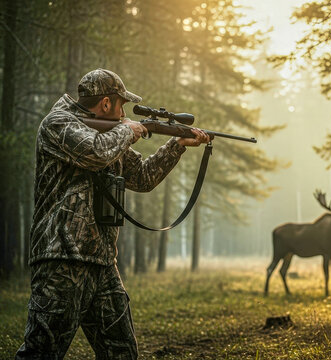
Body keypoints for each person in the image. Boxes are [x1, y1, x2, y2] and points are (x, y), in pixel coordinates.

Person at [15, 68, 210, 359]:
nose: (124, 113)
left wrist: (176, 145)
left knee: (122, 352)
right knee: (41, 352)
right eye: (121, 105)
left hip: (103, 262)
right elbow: (95, 152)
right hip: (61, 261)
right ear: (106, 104)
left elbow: (143, 177)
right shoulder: (58, 124)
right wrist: (127, 131)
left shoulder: (113, 136)